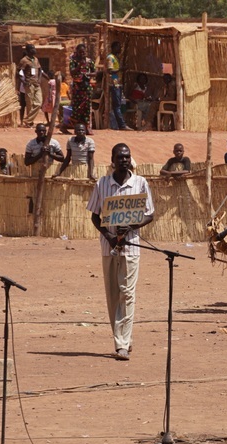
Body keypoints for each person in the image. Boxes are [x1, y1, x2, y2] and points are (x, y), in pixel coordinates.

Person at [87, 143, 154, 360]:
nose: (124, 160)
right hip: (109, 247)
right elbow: (95, 215)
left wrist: (133, 225)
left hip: (131, 246)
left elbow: (149, 214)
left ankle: (122, 344)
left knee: (127, 292)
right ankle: (124, 335)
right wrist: (108, 235)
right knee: (113, 295)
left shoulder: (140, 183)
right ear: (113, 160)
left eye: (127, 157)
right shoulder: (103, 184)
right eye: (120, 157)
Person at [63, 43, 95, 135]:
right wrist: (79, 66)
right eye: (80, 52)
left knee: (87, 108)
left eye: (83, 52)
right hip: (78, 88)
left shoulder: (89, 62)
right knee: (77, 109)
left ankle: (86, 127)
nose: (82, 54)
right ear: (76, 52)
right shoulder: (73, 61)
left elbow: (95, 72)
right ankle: (65, 126)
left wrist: (88, 75)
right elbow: (72, 73)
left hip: (87, 87)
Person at [107, 42, 133, 131]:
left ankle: (120, 124)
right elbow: (110, 71)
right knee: (117, 105)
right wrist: (121, 69)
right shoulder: (110, 58)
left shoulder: (116, 58)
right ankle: (122, 125)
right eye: (118, 47)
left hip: (118, 82)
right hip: (114, 83)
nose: (120, 49)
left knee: (119, 104)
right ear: (114, 47)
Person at [19, 44, 44, 127]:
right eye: (32, 48)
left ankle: (27, 120)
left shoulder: (36, 59)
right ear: (28, 50)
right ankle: (29, 122)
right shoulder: (24, 60)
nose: (34, 50)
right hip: (29, 84)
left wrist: (39, 79)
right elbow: (18, 72)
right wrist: (24, 81)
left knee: (39, 103)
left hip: (36, 84)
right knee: (29, 103)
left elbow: (40, 70)